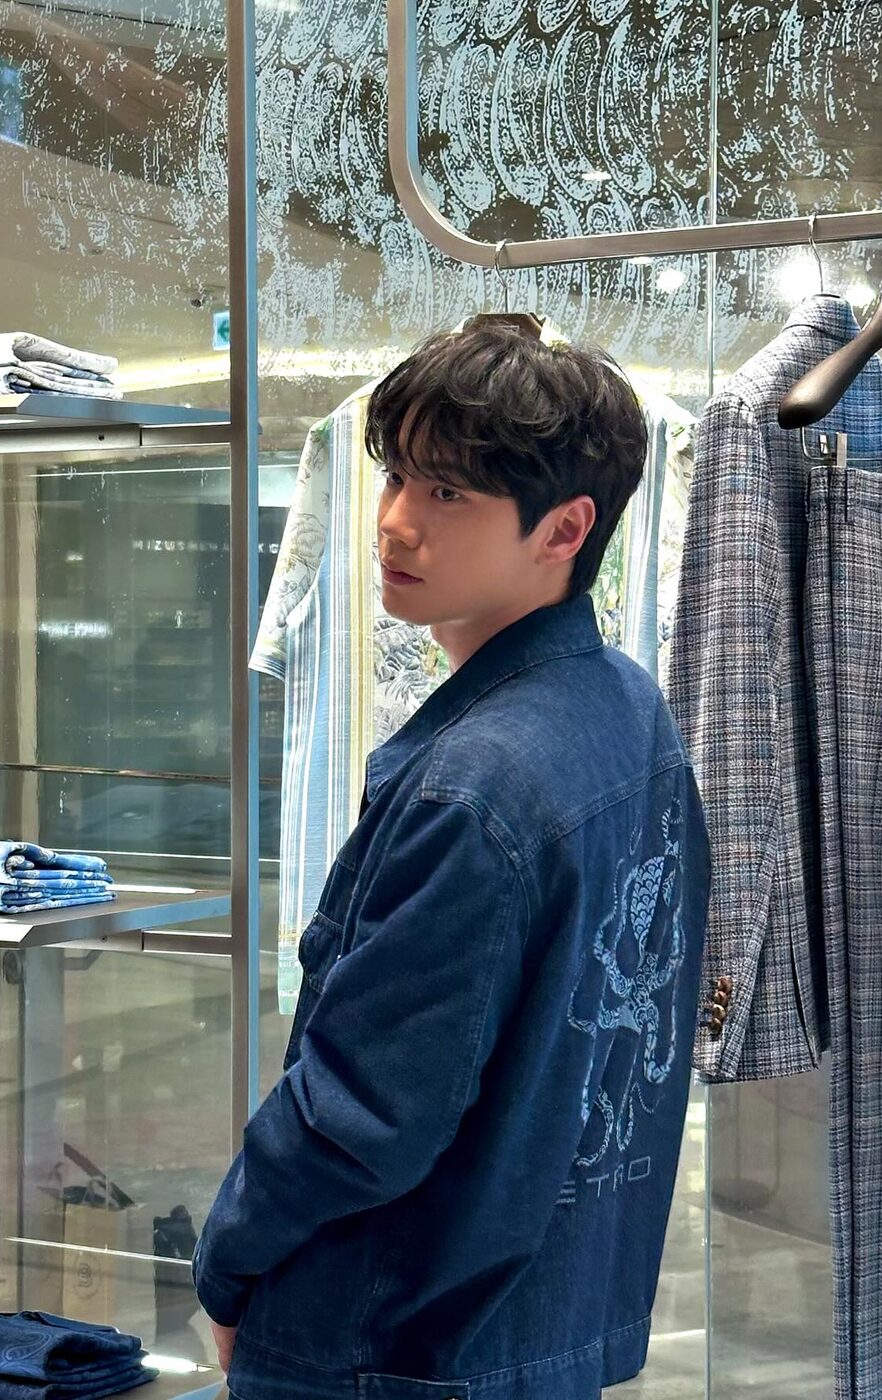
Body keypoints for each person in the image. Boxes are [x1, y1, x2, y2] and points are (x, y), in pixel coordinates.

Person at [192, 319, 710, 1400]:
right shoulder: (629, 709)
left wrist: (228, 1265)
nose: (393, 521)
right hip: (541, 1314)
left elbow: (363, 1112)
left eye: (446, 493)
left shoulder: (476, 787)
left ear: (564, 528)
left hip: (387, 1340)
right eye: (396, 476)